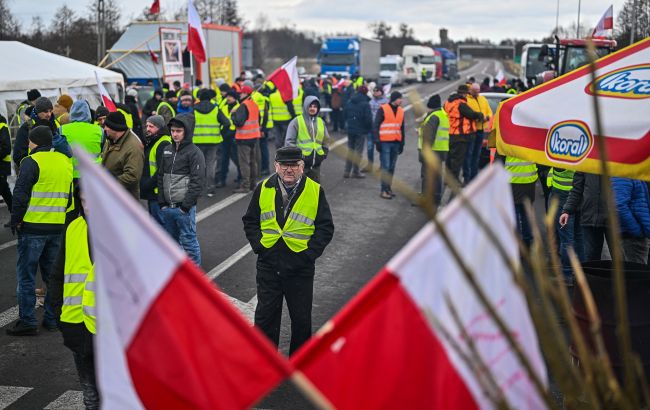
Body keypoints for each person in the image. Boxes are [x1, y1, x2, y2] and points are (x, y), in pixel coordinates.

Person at [242, 146, 334, 354]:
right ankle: (265, 362)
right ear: (276, 166)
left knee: (301, 319)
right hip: (269, 265)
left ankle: (300, 365)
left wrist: (308, 255)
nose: (288, 169)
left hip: (299, 268)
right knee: (266, 317)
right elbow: (250, 221)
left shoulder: (315, 190)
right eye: (284, 165)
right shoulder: (263, 187)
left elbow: (325, 228)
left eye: (294, 165)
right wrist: (259, 247)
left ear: (302, 166)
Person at [7, 126, 73, 336]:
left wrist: (16, 220)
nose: (28, 144)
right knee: (52, 276)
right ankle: (52, 319)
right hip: (57, 227)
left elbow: (20, 195)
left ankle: (27, 321)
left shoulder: (31, 162)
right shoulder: (65, 161)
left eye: (29, 141)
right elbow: (69, 197)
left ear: (35, 142)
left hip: (33, 227)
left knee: (26, 276)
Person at [50, 185, 99, 409]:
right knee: (89, 392)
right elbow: (58, 274)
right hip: (76, 323)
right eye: (84, 200)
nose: (89, 207)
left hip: (110, 330)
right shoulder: (73, 228)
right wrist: (58, 312)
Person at [158, 114, 205, 266]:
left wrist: (186, 206)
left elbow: (197, 181)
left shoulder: (194, 152)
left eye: (178, 131)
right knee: (171, 245)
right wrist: (162, 203)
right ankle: (178, 276)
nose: (175, 134)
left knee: (189, 243)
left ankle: (195, 279)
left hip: (183, 208)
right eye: (172, 131)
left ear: (186, 132)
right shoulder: (166, 150)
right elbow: (160, 176)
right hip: (168, 207)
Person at [560, 172, 609, 261]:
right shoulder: (587, 161)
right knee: (591, 260)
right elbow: (577, 190)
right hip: (590, 217)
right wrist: (567, 210)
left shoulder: (618, 161)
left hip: (613, 220)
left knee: (619, 261)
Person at [548, 168, 583, 282]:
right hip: (579, 195)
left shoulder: (563, 153)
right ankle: (580, 272)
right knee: (579, 237)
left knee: (566, 240)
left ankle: (567, 274)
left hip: (563, 197)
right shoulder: (584, 151)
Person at [193, 89, 231, 197]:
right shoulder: (215, 109)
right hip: (213, 141)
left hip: (198, 141)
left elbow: (188, 124)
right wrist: (220, 132)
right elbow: (227, 123)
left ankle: (199, 189)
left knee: (199, 165)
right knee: (210, 165)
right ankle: (210, 188)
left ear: (199, 98)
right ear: (210, 98)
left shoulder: (194, 109)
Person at [444, 85, 483, 184]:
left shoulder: (448, 102)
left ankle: (447, 179)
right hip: (461, 135)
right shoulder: (461, 104)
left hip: (451, 133)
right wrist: (480, 115)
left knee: (450, 158)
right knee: (458, 159)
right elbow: (471, 114)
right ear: (465, 93)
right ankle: (454, 181)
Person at [285, 96, 330, 182]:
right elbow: (289, 141)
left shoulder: (321, 122)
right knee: (300, 191)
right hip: (301, 165)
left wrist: (324, 153)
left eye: (315, 106)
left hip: (316, 165)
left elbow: (326, 139)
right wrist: (298, 157)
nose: (312, 108)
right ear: (305, 106)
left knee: (315, 191)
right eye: (310, 106)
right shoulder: (296, 121)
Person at [101, 111, 144, 199]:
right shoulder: (110, 141)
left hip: (124, 201)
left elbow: (132, 176)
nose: (104, 129)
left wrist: (109, 183)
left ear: (114, 128)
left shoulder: (134, 147)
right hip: (110, 197)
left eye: (107, 126)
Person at [418, 94, 449, 206]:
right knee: (437, 175)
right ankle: (436, 198)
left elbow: (429, 137)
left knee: (427, 175)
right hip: (441, 151)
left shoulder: (433, 116)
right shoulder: (443, 115)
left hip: (432, 151)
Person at [374, 91, 405, 199]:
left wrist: (402, 143)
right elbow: (376, 125)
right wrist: (377, 141)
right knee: (386, 167)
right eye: (399, 98)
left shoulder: (401, 111)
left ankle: (388, 188)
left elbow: (402, 128)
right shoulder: (383, 109)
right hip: (385, 142)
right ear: (394, 99)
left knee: (391, 167)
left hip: (396, 142)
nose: (401, 100)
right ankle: (383, 190)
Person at [60, 101, 103, 179]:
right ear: (88, 113)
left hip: (71, 176)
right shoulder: (99, 130)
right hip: (94, 176)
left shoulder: (62, 130)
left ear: (71, 113)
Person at [140, 115, 171, 225]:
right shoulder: (154, 140)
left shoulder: (164, 143)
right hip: (153, 193)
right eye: (147, 125)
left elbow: (162, 170)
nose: (148, 129)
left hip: (158, 194)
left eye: (151, 126)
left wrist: (147, 184)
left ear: (159, 128)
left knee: (161, 228)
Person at [612, 177, 650, 264]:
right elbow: (619, 206)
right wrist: (636, 231)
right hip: (631, 237)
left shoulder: (633, 174)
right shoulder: (623, 176)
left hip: (638, 234)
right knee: (636, 274)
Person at [232, 85, 261, 193]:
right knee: (253, 162)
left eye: (241, 93)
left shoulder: (243, 106)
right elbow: (259, 119)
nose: (240, 94)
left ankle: (245, 186)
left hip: (244, 138)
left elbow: (238, 122)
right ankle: (253, 184)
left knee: (245, 163)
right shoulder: (254, 104)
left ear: (245, 93)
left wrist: (233, 115)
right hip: (254, 137)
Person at [504, 156, 538, 247]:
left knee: (514, 212)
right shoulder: (533, 140)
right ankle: (528, 241)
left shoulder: (506, 141)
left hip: (513, 181)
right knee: (526, 212)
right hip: (529, 180)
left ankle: (517, 243)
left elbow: (498, 160)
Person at [464, 83, 492, 183]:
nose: (477, 93)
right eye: (475, 91)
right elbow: (467, 115)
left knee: (477, 154)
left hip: (481, 131)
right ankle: (467, 178)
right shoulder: (466, 100)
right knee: (469, 155)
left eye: (478, 91)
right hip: (471, 131)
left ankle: (474, 177)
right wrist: (478, 119)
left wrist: (486, 118)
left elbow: (489, 112)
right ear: (470, 90)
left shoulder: (483, 99)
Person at [343, 85, 372, 178]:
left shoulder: (350, 101)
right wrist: (367, 129)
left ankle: (347, 171)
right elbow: (368, 119)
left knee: (350, 150)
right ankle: (356, 171)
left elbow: (345, 113)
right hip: (360, 130)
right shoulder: (366, 103)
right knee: (358, 152)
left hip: (350, 129)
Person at [218, 89, 241, 188]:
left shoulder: (239, 107)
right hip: (225, 135)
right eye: (227, 96)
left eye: (230, 96)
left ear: (235, 98)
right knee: (224, 159)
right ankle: (222, 180)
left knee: (237, 159)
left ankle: (241, 178)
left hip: (235, 135)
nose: (228, 98)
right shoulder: (224, 107)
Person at [365, 86, 389, 171]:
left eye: (377, 91)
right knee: (369, 148)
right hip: (371, 128)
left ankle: (382, 166)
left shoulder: (386, 102)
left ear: (381, 92)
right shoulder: (371, 101)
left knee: (381, 148)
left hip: (381, 129)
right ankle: (370, 165)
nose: (375, 92)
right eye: (374, 91)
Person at [254, 82, 274, 176]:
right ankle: (263, 168)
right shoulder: (266, 98)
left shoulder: (261, 99)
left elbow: (263, 114)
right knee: (262, 148)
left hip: (262, 126)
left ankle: (264, 168)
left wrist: (262, 129)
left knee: (262, 148)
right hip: (264, 126)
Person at [268, 82, 294, 149]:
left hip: (275, 119)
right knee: (286, 136)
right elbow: (290, 107)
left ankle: (278, 149)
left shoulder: (271, 96)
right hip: (286, 119)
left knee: (277, 135)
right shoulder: (286, 95)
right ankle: (285, 148)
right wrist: (293, 116)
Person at [0, 114, 12, 225]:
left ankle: (17, 216)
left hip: (2, 165)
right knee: (5, 192)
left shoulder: (1, 124)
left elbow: (6, 148)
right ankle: (17, 216)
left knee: (5, 191)